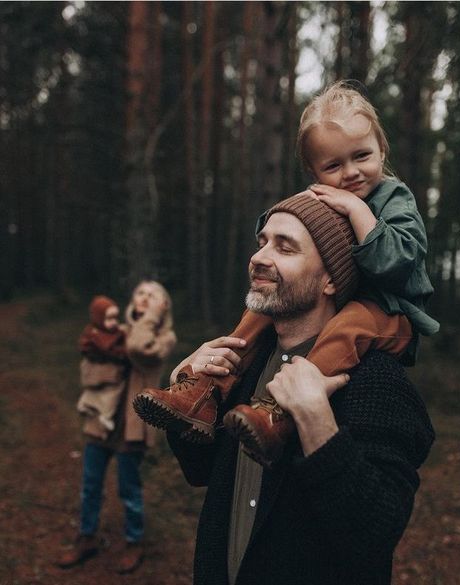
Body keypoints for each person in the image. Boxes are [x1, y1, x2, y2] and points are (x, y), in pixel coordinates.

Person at [133, 80, 439, 467]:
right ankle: (207, 390)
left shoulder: (394, 199)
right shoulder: (323, 196)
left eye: (362, 156)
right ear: (313, 170)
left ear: (382, 149)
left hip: (391, 312)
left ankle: (279, 411)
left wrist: (356, 209)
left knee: (351, 325)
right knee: (261, 307)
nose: (351, 173)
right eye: (332, 166)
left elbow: (396, 263)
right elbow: (201, 473)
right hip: (347, 301)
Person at [166, 195, 435, 585]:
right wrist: (188, 391)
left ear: (331, 279)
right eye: (262, 242)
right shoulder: (245, 364)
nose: (259, 257)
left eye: (285, 247)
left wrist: (317, 425)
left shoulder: (377, 383)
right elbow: (201, 471)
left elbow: (375, 534)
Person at [57, 281, 177, 574]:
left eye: (152, 296)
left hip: (132, 427)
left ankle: (133, 542)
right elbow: (87, 370)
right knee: (90, 484)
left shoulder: (165, 338)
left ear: (163, 306)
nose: (144, 298)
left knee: (129, 488)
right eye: (140, 294)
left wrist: (147, 319)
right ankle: (86, 538)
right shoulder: (115, 333)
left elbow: (138, 348)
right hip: (102, 420)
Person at [76, 295, 128, 436]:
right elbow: (106, 348)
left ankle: (89, 406)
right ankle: (104, 414)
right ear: (99, 318)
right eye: (108, 319)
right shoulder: (96, 334)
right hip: (101, 368)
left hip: (101, 369)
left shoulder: (109, 331)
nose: (113, 323)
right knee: (110, 391)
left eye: (115, 318)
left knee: (104, 391)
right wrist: (121, 352)